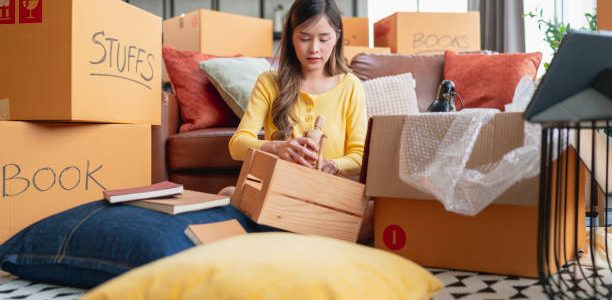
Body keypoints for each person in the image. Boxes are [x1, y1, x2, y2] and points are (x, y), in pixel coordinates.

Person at [227, 0, 367, 179]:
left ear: (337, 37)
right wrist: (277, 148)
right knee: (227, 193)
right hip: (281, 186)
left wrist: (333, 165)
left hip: (330, 190)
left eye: (324, 39)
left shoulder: (350, 85)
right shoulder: (269, 82)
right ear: (291, 37)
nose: (314, 49)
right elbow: (237, 145)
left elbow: (360, 154)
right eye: (304, 38)